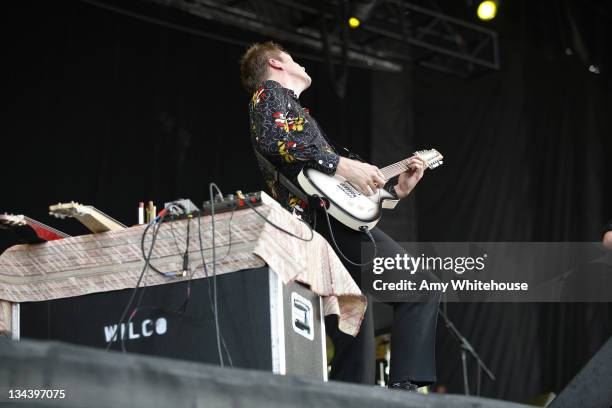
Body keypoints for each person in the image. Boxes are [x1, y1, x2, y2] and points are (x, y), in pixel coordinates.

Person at [240, 41, 440, 391]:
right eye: (294, 59)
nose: (302, 65)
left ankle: (356, 399)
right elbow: (273, 141)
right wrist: (343, 164)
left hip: (321, 225)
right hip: (319, 223)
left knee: (353, 323)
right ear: (275, 63)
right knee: (419, 288)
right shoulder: (270, 94)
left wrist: (395, 192)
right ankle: (404, 393)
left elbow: (343, 198)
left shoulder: (295, 114)